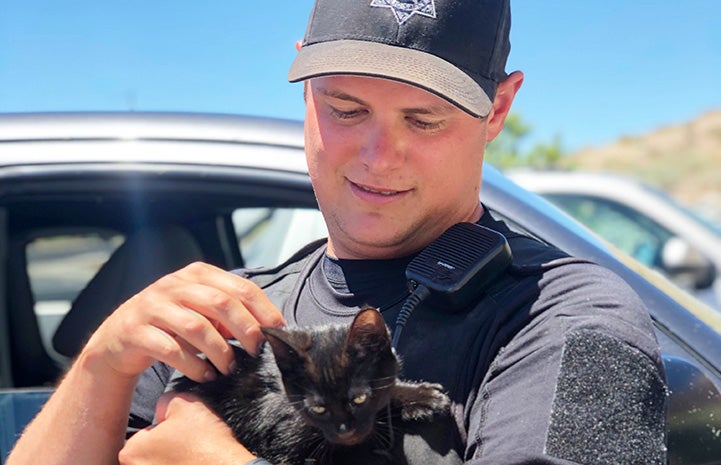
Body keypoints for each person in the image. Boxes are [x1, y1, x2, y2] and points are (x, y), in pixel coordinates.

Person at [6, 0, 668, 464]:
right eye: (344, 107)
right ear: (301, 79)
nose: (379, 155)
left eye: (423, 118)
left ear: (497, 108)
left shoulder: (558, 316)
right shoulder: (227, 318)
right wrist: (103, 361)